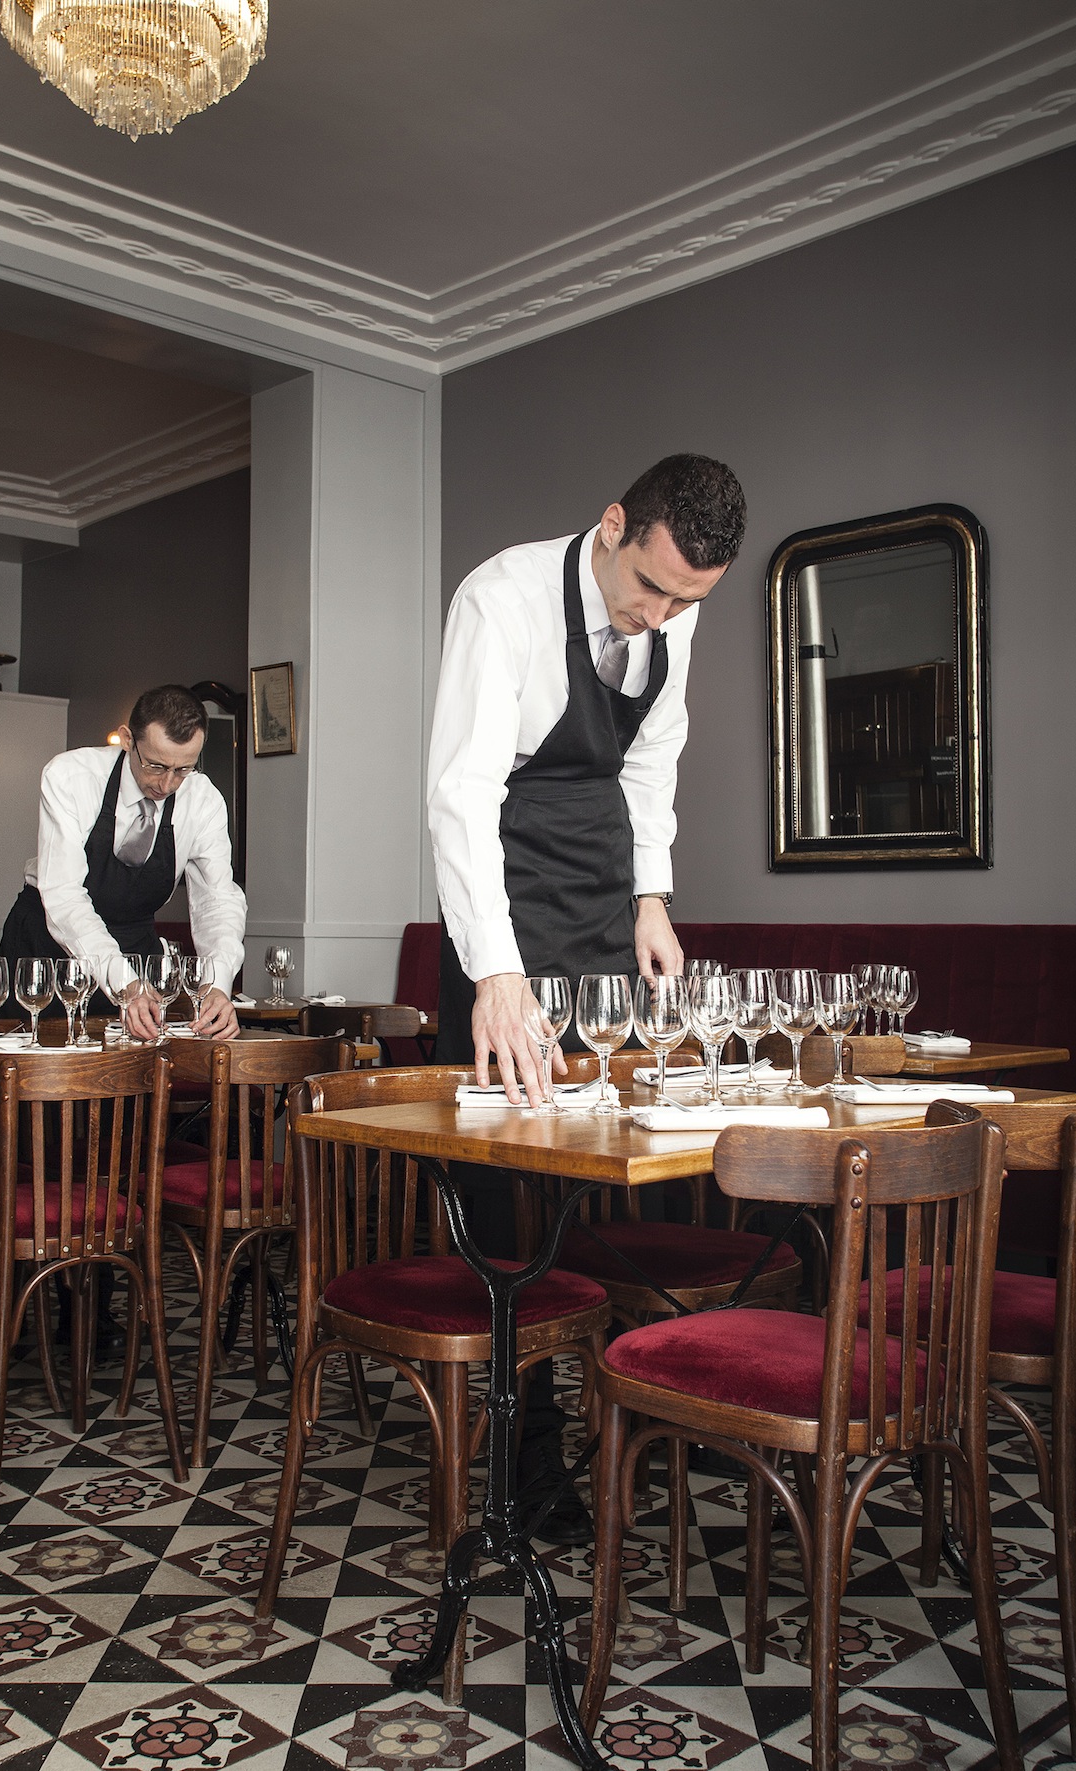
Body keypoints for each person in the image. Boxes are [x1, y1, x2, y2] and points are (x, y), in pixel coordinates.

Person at [427, 453, 747, 1540]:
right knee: (512, 1192)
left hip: (603, 896)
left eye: (685, 602)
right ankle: (520, 1456)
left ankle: (638, 1408)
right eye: (648, 590)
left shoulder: (675, 606)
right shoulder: (501, 597)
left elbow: (652, 758)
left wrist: (650, 896)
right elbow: (460, 789)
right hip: (503, 902)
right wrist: (496, 972)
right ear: (613, 525)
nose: (658, 616)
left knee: (618, 1170)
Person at [0, 683, 245, 1041]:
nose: (166, 784)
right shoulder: (71, 776)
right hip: (47, 947)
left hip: (135, 944)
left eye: (183, 769)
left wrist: (217, 984)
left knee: (132, 1084)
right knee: (35, 1081)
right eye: (157, 765)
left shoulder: (204, 800)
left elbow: (217, 900)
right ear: (129, 739)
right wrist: (124, 983)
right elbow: (65, 896)